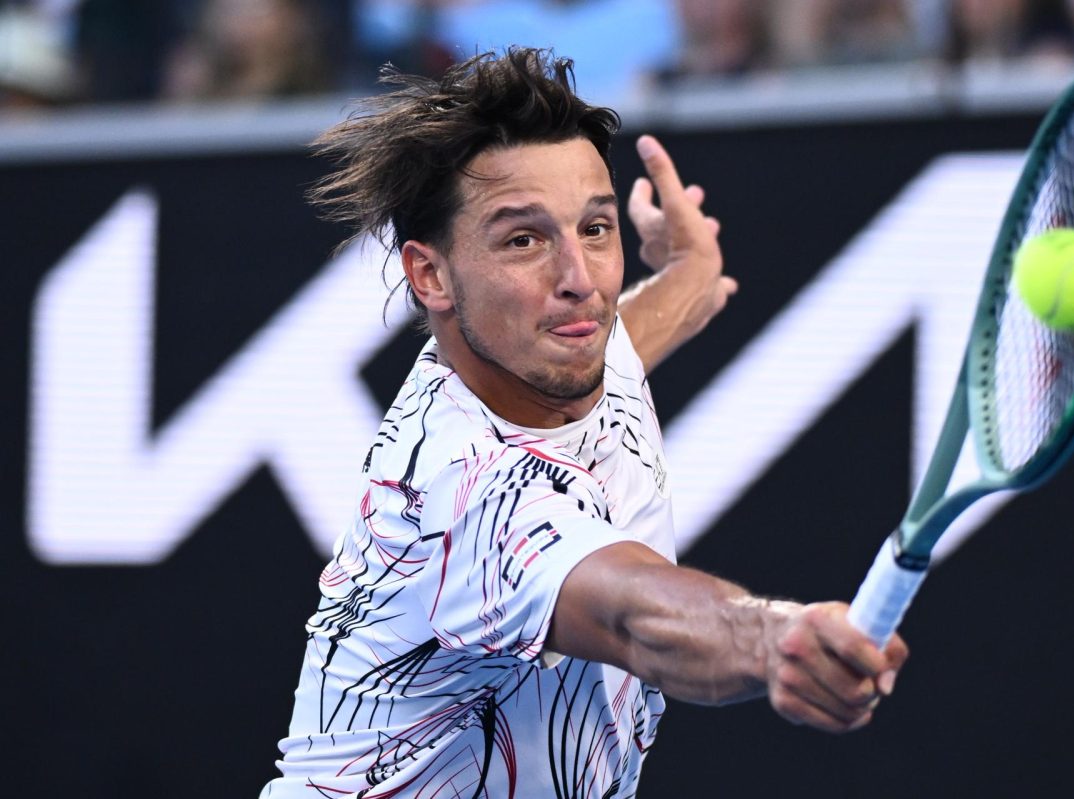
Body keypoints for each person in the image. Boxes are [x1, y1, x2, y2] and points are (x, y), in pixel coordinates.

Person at [260, 46, 908, 798]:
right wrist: (773, 639)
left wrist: (691, 269)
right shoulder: (467, 491)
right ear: (430, 274)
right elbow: (637, 616)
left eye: (596, 229)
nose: (581, 281)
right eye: (523, 240)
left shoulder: (550, 345)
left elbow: (637, 326)